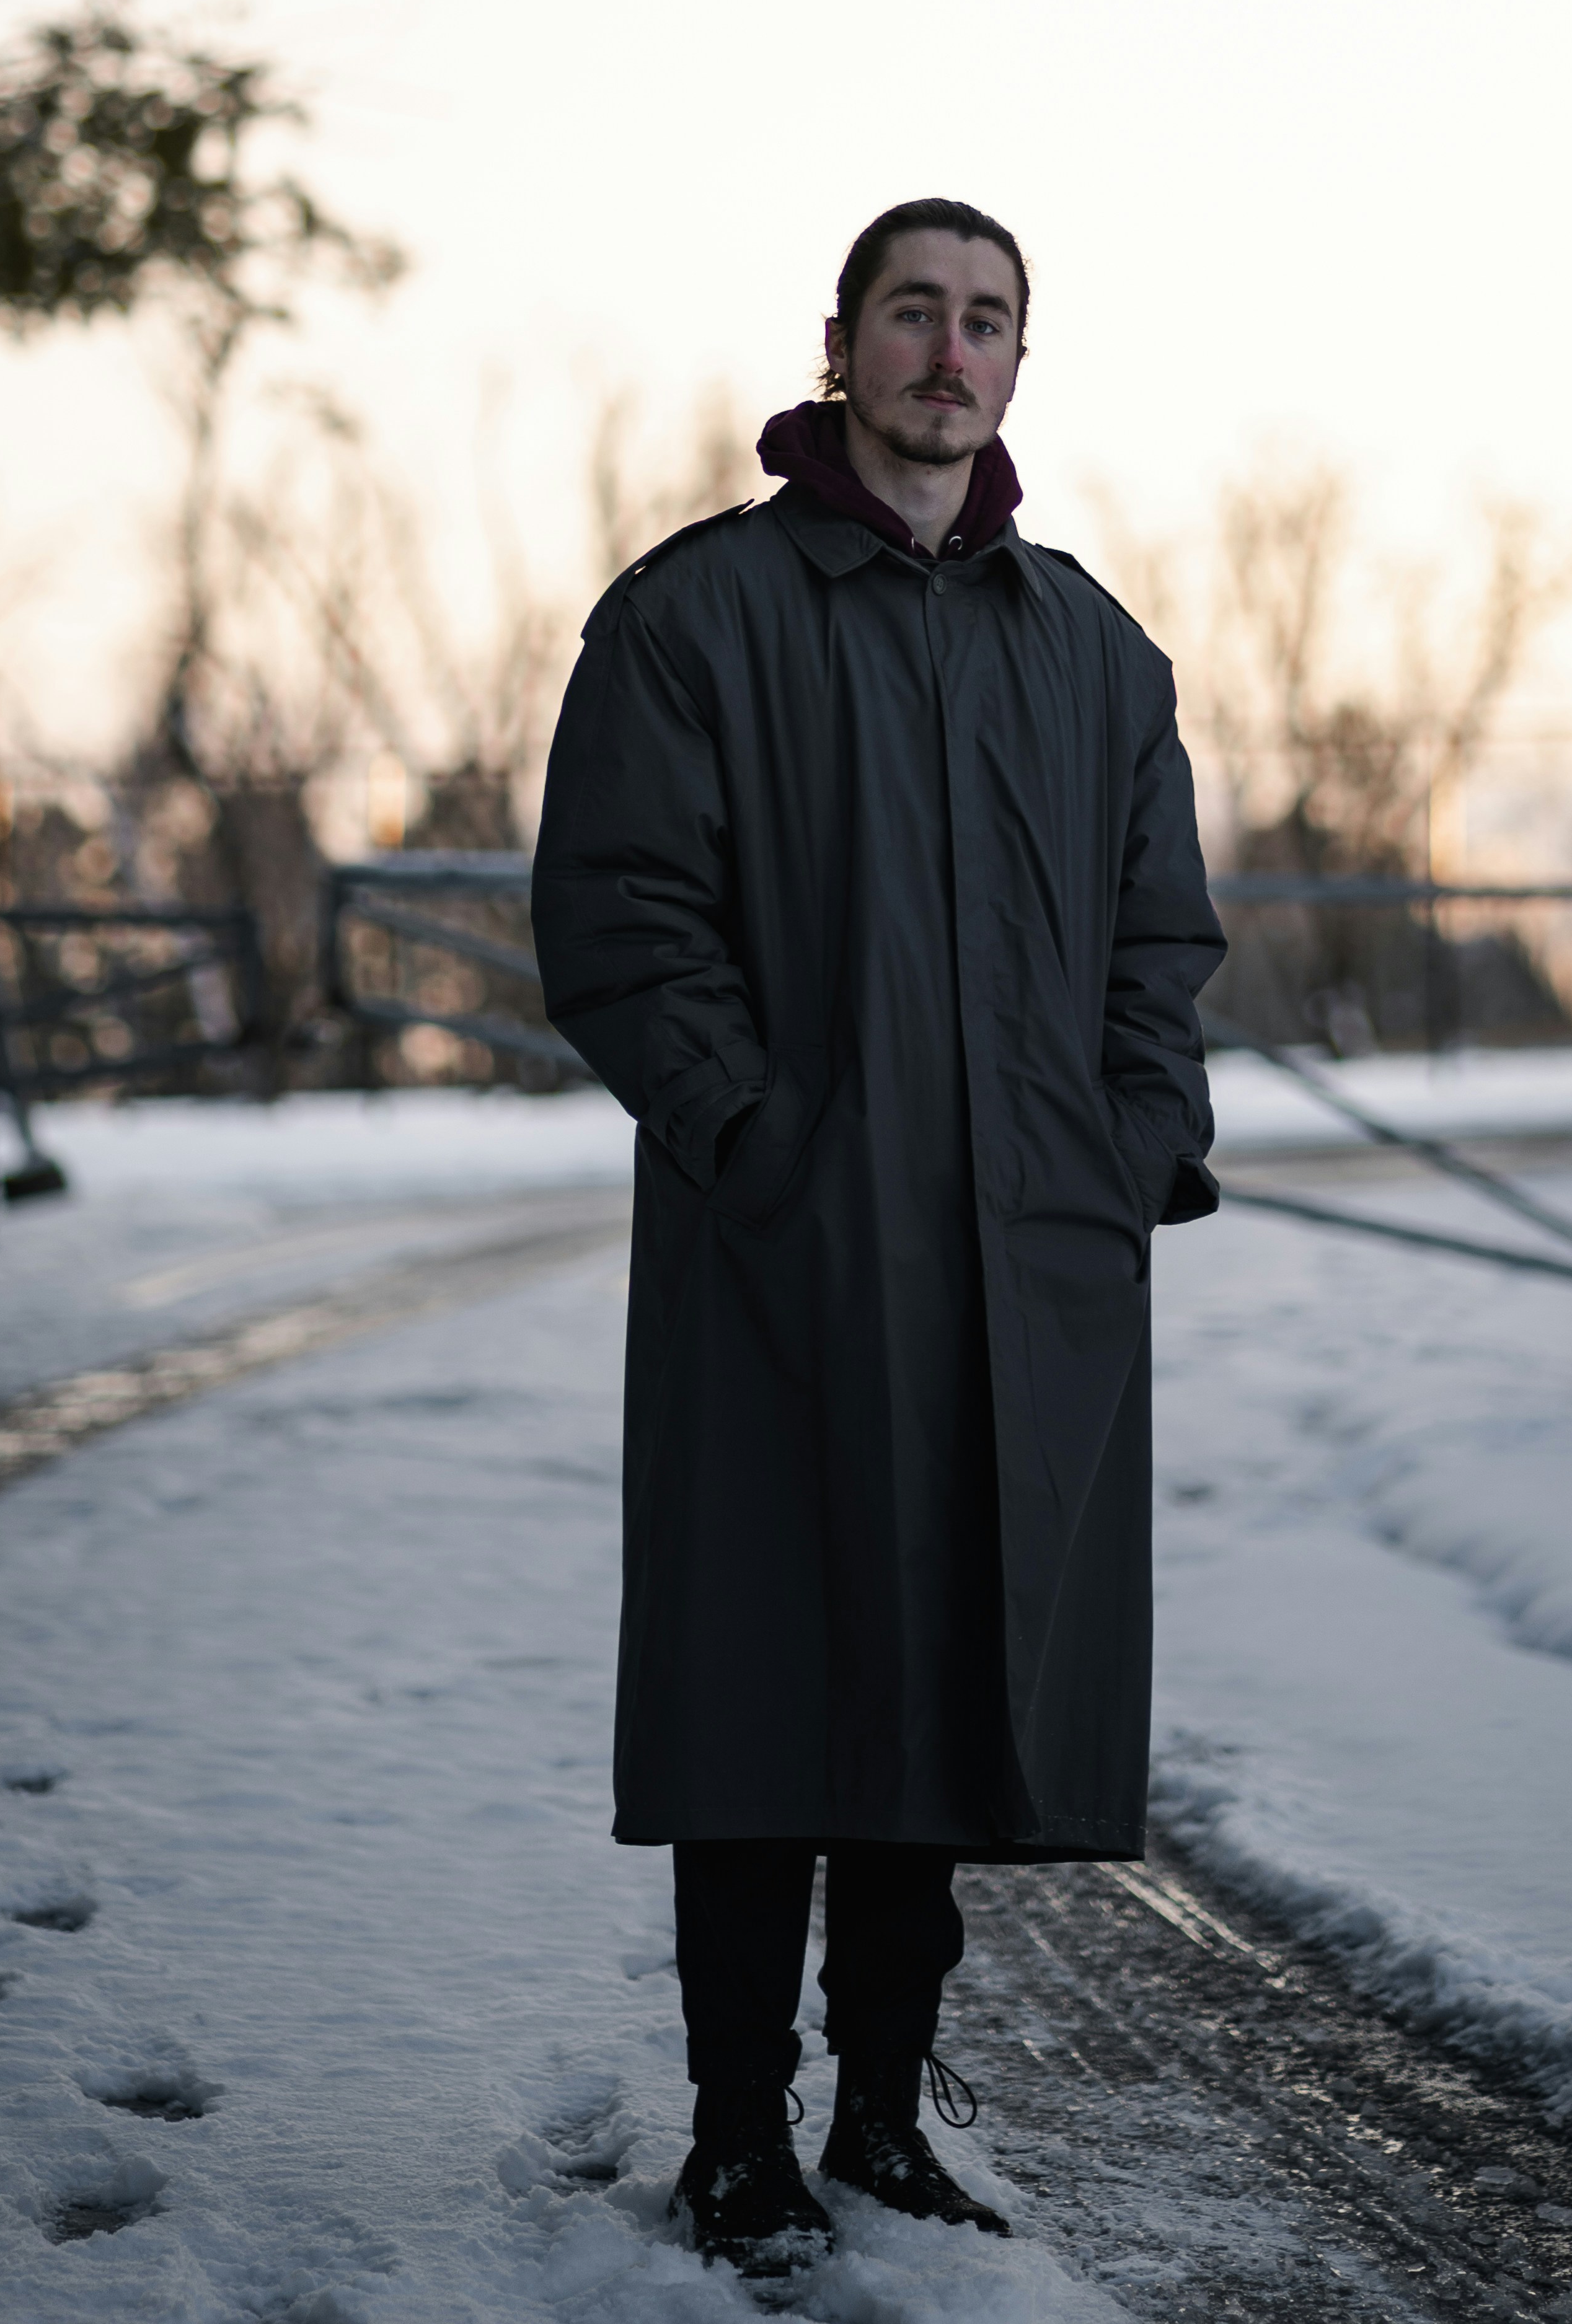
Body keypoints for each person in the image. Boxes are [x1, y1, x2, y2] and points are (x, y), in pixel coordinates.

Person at [531, 199, 1224, 2277]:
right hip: (787, 1259)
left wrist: (1125, 1155)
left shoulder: (1094, 650)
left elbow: (1160, 948)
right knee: (769, 1692)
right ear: (839, 346)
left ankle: (884, 2122)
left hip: (1026, 1268)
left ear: (1022, 365)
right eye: (914, 313)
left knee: (943, 1693)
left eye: (987, 320)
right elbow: (621, 922)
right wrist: (763, 1143)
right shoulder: (696, 617)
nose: (950, 350)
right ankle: (734, 2132)